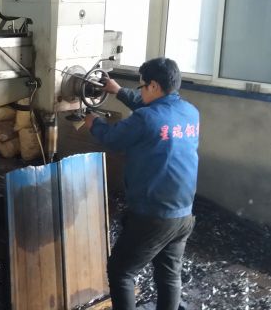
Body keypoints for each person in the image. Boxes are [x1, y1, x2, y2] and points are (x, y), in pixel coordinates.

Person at [84, 57, 199, 310]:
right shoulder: (190, 112)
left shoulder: (146, 119)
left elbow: (113, 138)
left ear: (154, 86)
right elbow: (153, 109)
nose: (141, 91)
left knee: (121, 271)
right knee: (169, 274)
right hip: (183, 214)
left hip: (153, 216)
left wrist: (94, 123)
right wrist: (118, 91)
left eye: (142, 86)